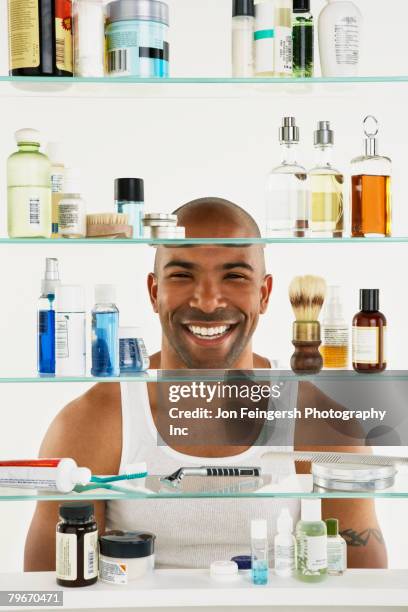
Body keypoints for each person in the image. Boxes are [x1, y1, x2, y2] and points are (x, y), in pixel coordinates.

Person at [25, 198, 387, 571]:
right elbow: (48, 590)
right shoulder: (96, 419)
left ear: (264, 295)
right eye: (183, 275)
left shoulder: (321, 420)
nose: (209, 302)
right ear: (154, 292)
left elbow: (364, 590)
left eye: (234, 276)